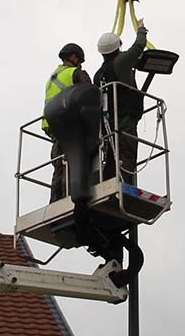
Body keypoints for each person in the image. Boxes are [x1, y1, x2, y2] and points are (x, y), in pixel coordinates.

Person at [94, 23, 149, 185]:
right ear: (118, 47)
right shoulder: (121, 62)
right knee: (127, 153)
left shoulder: (98, 75)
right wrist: (141, 30)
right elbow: (138, 46)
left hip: (107, 124)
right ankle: (125, 185)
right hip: (125, 120)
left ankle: (109, 183)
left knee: (111, 155)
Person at [43, 43, 92, 202]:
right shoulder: (75, 74)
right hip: (69, 125)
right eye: (80, 60)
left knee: (59, 165)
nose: (81, 64)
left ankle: (55, 201)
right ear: (73, 57)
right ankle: (68, 197)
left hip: (54, 127)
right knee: (71, 163)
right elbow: (91, 94)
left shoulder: (52, 77)